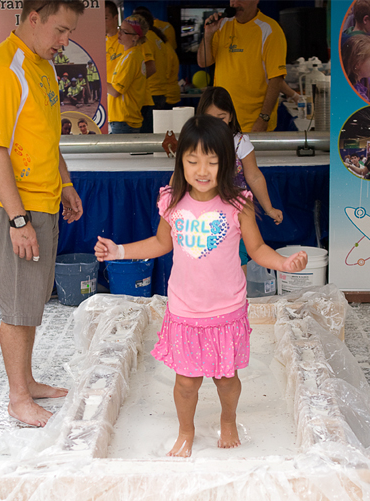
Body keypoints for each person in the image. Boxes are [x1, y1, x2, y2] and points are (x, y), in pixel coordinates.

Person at [94, 115, 308, 457]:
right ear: (181, 162)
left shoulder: (239, 203)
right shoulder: (172, 201)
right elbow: (160, 244)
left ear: (226, 162)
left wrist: (283, 263)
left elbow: (256, 249)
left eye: (212, 160)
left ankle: (227, 419)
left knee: (226, 380)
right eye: (193, 160)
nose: (202, 169)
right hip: (185, 310)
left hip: (227, 310)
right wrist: (118, 250)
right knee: (186, 382)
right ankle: (186, 430)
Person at [0, 0, 85, 427]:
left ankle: (27, 381)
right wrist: (17, 219)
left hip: (45, 199)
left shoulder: (44, 66)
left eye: (70, 33)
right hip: (18, 205)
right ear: (34, 19)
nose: (65, 42)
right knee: (16, 305)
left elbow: (48, 138)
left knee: (32, 300)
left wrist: (64, 184)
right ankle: (17, 398)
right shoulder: (6, 68)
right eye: (60, 31)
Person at [196, 86, 283, 270]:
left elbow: (254, 176)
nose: (216, 125)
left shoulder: (240, 142)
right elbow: (181, 174)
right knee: (208, 264)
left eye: (221, 119)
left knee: (238, 261)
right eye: (210, 119)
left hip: (237, 215)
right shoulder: (196, 143)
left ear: (231, 116)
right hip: (205, 215)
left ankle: (239, 299)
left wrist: (269, 208)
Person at [197, 0, 288, 133]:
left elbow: (276, 79)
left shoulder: (270, 30)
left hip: (252, 123)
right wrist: (208, 34)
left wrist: (263, 119)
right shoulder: (222, 25)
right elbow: (203, 62)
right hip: (221, 121)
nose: (235, 3)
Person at [107, 14, 149, 134]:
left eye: (124, 32)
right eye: (120, 29)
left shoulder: (131, 58)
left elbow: (116, 91)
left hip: (124, 121)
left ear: (135, 37)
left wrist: (98, 82)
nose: (119, 34)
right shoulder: (128, 55)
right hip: (123, 120)